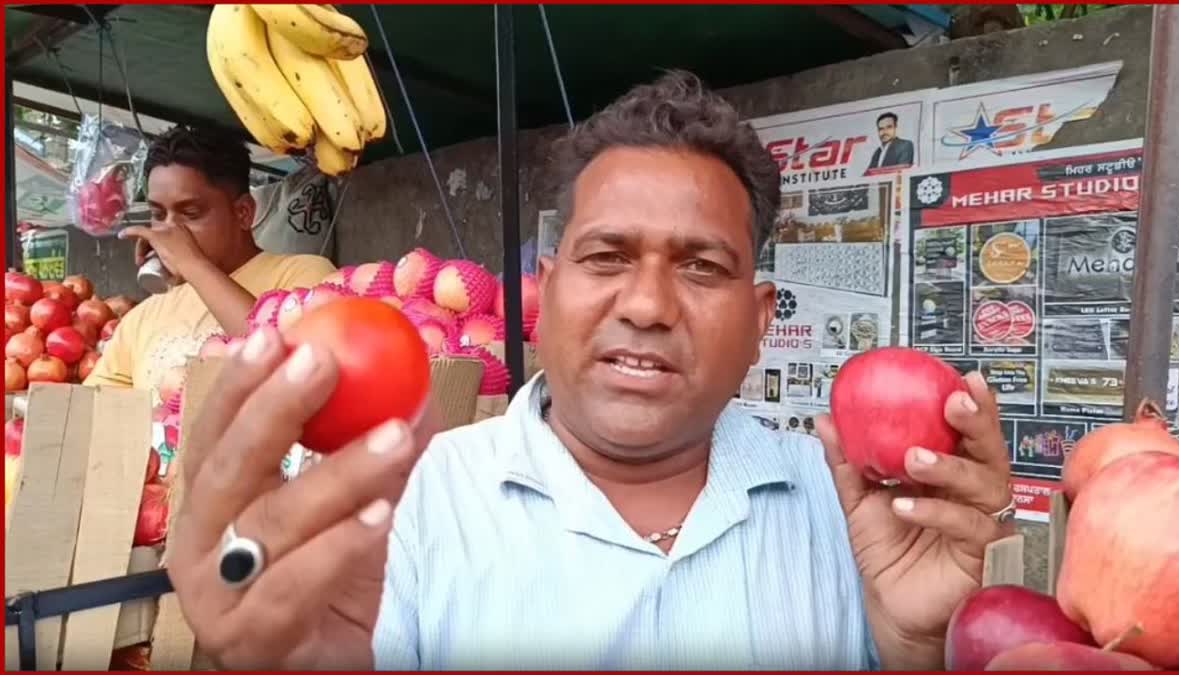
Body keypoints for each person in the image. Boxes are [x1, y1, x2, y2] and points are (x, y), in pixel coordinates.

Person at [166, 71, 1015, 670]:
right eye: (606, 256)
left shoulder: (853, 511)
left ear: (760, 324)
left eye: (701, 267)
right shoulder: (413, 508)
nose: (646, 304)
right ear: (547, 289)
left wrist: (916, 651)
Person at [84, 126, 336, 405]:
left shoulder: (306, 276)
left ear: (243, 212)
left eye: (190, 214)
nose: (170, 231)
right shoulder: (140, 319)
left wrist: (193, 265)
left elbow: (289, 372)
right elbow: (91, 414)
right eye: (158, 214)